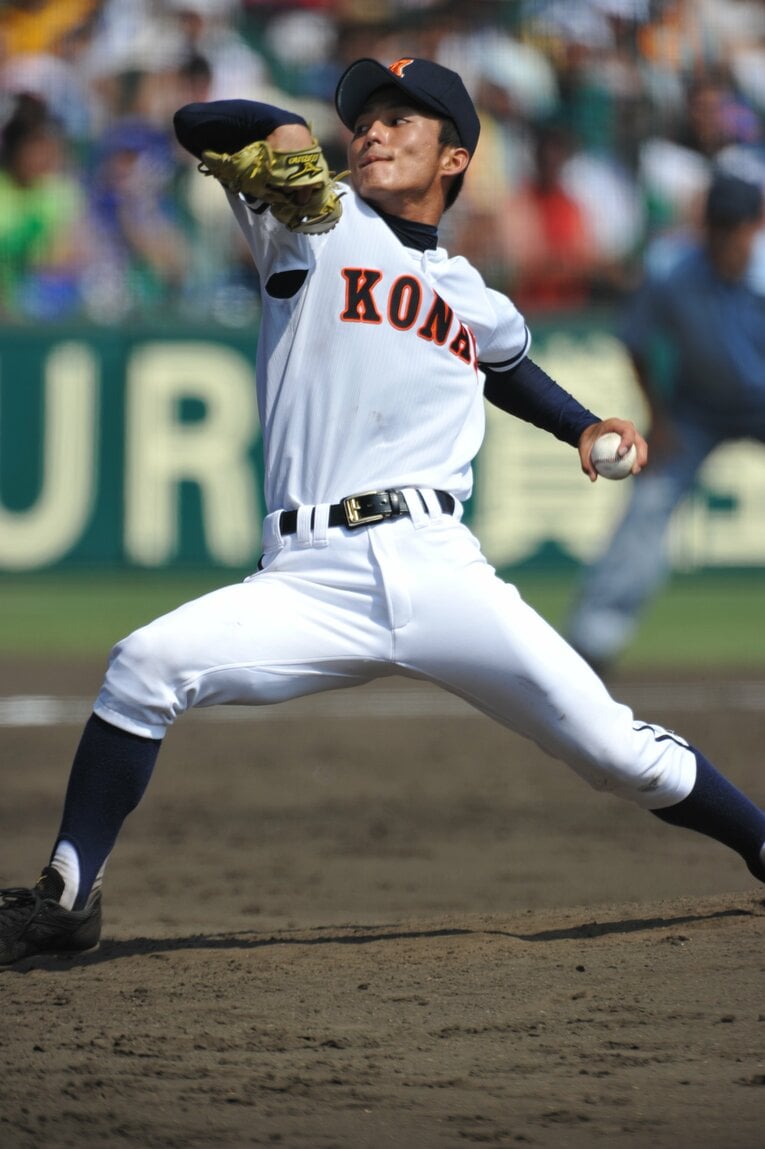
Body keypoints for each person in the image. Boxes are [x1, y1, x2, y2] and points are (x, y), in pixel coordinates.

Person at [1, 57, 763, 966]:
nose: (373, 130)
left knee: (616, 752)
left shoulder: (469, 290)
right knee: (142, 667)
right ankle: (68, 896)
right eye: (365, 118)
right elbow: (198, 122)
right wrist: (282, 129)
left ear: (454, 157)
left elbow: (507, 363)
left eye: (403, 119)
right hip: (309, 577)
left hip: (438, 564)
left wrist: (580, 425)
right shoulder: (311, 221)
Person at [566, 170, 765, 674]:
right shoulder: (673, 271)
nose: (726, 237)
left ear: (754, 226)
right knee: (648, 504)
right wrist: (659, 416)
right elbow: (635, 339)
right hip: (696, 408)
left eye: (736, 225)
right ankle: (591, 644)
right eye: (717, 225)